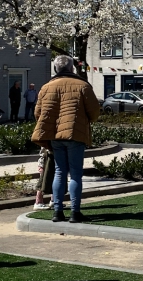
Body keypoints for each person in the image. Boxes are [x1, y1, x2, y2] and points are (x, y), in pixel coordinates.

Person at [31, 55, 100, 223]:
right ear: (71, 68)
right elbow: (95, 112)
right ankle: (75, 212)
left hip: (55, 136)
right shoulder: (83, 85)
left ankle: (57, 211)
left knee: (59, 172)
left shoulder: (46, 87)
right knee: (75, 174)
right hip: (75, 134)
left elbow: (37, 114)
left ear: (56, 69)